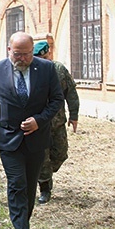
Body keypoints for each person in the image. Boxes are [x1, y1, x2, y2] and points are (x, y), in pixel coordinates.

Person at [0, 32, 64, 229]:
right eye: (18, 54)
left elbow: (56, 100)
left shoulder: (46, 69)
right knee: (16, 184)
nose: (23, 59)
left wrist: (39, 120)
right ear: (9, 51)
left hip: (37, 139)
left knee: (29, 188)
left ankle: (22, 226)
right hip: (8, 139)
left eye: (27, 54)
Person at [32, 41, 79, 203]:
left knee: (60, 154)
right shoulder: (31, 71)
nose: (41, 61)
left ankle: (46, 174)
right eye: (38, 58)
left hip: (57, 122)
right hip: (38, 125)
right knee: (42, 158)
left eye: (44, 57)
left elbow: (71, 92)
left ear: (49, 55)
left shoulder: (59, 70)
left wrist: (74, 115)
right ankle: (45, 188)